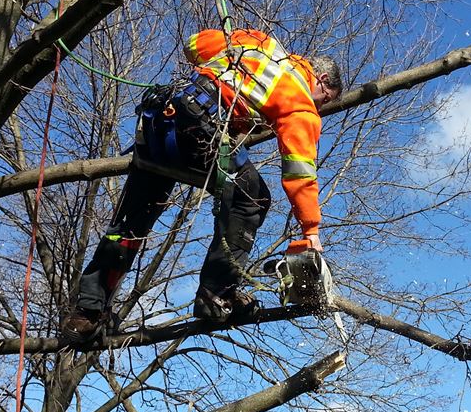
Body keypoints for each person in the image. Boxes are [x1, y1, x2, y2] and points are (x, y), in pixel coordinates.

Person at [61, 29, 342, 342]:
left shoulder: (259, 42)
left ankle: (86, 313)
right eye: (324, 100)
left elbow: (193, 45)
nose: (319, 107)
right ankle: (217, 294)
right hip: (199, 132)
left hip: (160, 122)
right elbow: (299, 173)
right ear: (320, 79)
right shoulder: (300, 99)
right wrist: (311, 231)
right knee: (253, 197)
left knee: (132, 220)